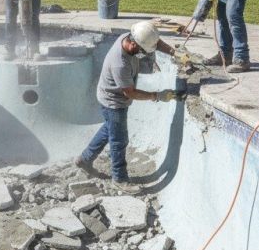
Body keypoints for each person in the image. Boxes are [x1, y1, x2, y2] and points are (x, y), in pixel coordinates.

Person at [75, 21, 182, 189]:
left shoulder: (133, 37)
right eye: (142, 51)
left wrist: (174, 52)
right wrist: (156, 95)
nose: (143, 54)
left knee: (110, 129)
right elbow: (130, 92)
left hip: (112, 96)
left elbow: (154, 42)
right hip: (113, 101)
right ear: (133, 44)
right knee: (119, 140)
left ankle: (84, 159)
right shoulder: (120, 63)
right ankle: (120, 179)